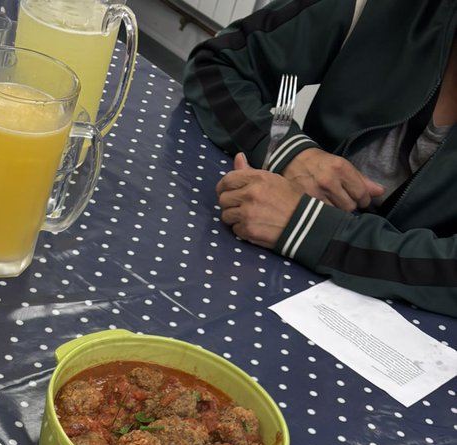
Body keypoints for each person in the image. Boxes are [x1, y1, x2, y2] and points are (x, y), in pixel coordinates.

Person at [182, 0, 457, 317]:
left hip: (413, 329)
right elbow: (218, 65)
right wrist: (290, 151)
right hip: (271, 260)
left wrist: (309, 228)